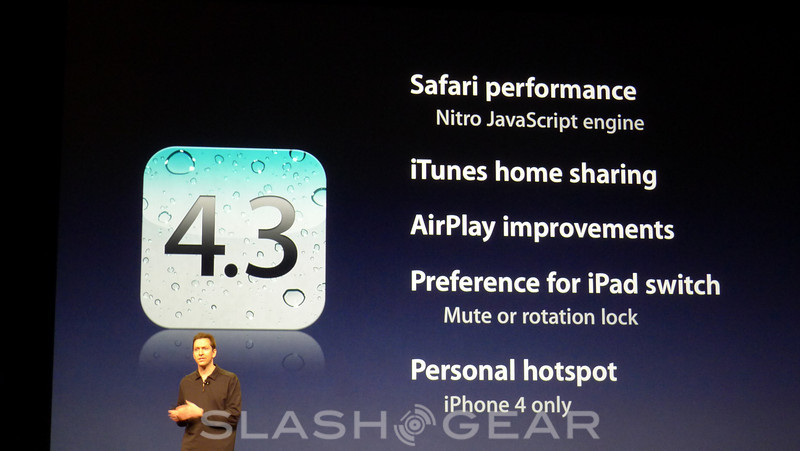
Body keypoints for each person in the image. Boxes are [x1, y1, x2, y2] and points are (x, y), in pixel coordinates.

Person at [169, 332, 242, 450]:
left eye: (205, 348)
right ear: (193, 354)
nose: (200, 353)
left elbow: (233, 417)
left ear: (214, 352)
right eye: (196, 349)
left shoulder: (229, 379)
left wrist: (202, 413)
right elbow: (182, 421)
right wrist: (179, 416)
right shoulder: (186, 382)